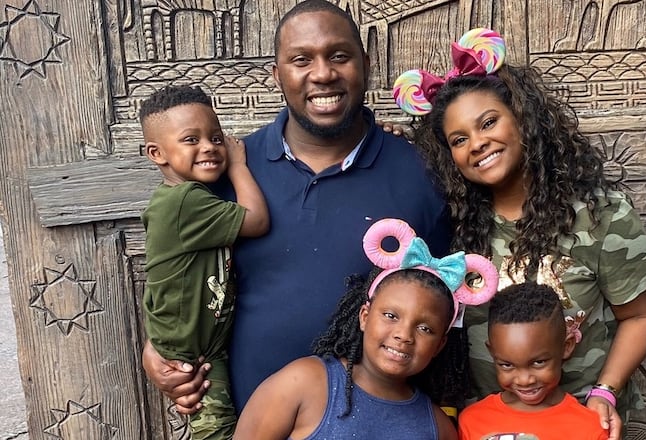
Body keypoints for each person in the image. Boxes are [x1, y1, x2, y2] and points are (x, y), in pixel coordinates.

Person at [141, 0, 451, 417]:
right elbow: (176, 273)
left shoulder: (422, 174)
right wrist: (159, 352)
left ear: (366, 63)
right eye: (302, 59)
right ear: (277, 75)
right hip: (253, 421)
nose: (322, 74)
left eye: (339, 56)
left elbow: (447, 304)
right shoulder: (224, 171)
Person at [394, 28, 646, 439]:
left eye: (488, 123)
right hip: (489, 426)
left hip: (578, 424)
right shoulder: (453, 224)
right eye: (459, 140)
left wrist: (605, 391)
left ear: (522, 117)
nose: (478, 144)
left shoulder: (599, 216)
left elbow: (640, 314)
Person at [233, 218, 497, 440]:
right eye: (391, 315)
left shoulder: (437, 428)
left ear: (440, 344)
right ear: (364, 316)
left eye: (425, 328)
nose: (404, 335)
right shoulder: (303, 383)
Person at [140, 85, 270, 439]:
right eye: (190, 140)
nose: (210, 147)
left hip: (199, 339)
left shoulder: (190, 196)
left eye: (216, 137)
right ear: (157, 153)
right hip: (192, 349)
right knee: (215, 431)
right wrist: (239, 165)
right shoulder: (185, 201)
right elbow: (257, 220)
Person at [458, 281, 608, 440]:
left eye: (538, 362)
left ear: (566, 346)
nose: (524, 380)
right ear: (492, 353)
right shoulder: (472, 420)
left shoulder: (590, 427)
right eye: (507, 365)